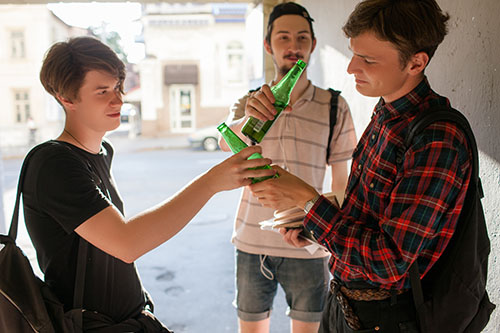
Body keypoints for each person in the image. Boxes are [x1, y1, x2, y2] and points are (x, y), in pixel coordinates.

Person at [21, 36, 275, 332]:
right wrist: (211, 182)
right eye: (102, 91)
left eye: (117, 87)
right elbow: (127, 243)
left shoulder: (101, 152)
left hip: (130, 319)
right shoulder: (53, 163)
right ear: (66, 98)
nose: (118, 100)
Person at [249, 0, 474, 331]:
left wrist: (307, 200)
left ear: (416, 63)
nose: (351, 67)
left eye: (368, 59)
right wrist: (313, 226)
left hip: (387, 317)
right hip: (343, 301)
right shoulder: (386, 111)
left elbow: (391, 262)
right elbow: (369, 212)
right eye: (353, 53)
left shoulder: (436, 137)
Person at [218, 3, 357, 332]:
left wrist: (317, 234)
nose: (293, 45)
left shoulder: (335, 105)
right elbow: (225, 144)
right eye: (283, 37)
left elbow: (341, 185)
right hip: (251, 243)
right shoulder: (250, 100)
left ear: (313, 44)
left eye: (301, 37)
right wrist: (252, 116)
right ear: (268, 46)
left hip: (308, 245)